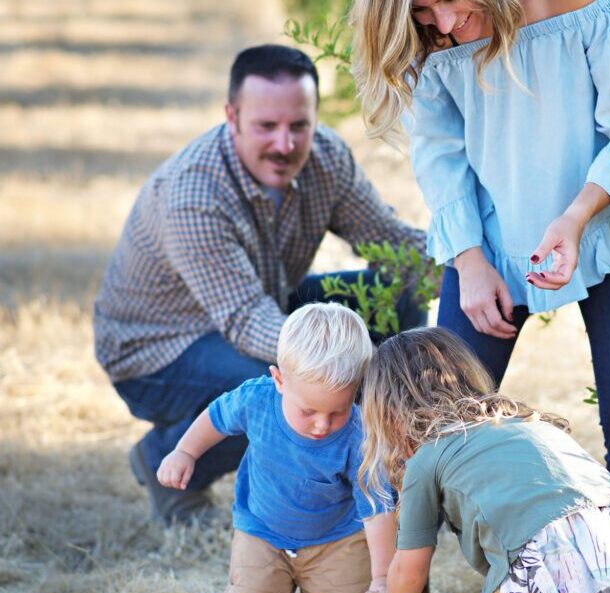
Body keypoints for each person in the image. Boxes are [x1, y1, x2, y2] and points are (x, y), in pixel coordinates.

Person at [349, 0, 610, 562]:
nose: (447, 24)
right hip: (488, 244)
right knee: (431, 435)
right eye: (426, 11)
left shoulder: (595, 10)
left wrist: (574, 219)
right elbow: (441, 157)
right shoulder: (430, 38)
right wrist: (469, 262)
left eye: (446, 2)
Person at [93, 44, 427, 525]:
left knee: (398, 295)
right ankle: (163, 454)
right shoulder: (194, 196)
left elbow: (389, 241)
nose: (285, 144)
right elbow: (248, 321)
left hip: (263, 302)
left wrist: (469, 262)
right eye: (266, 126)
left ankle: (382, 458)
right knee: (271, 384)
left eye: (299, 126)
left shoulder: (325, 157)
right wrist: (355, 371)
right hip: (155, 351)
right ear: (232, 116)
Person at [358, 327, 610, 593]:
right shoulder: (520, 421)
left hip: (539, 543)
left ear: (390, 414)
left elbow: (410, 569)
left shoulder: (425, 459)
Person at [156, 303, 396, 593]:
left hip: (337, 542)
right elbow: (217, 416)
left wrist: (382, 579)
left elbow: (377, 512)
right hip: (262, 532)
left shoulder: (359, 437)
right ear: (279, 380)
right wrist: (185, 451)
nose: (321, 425)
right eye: (308, 410)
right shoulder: (257, 399)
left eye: (337, 411)